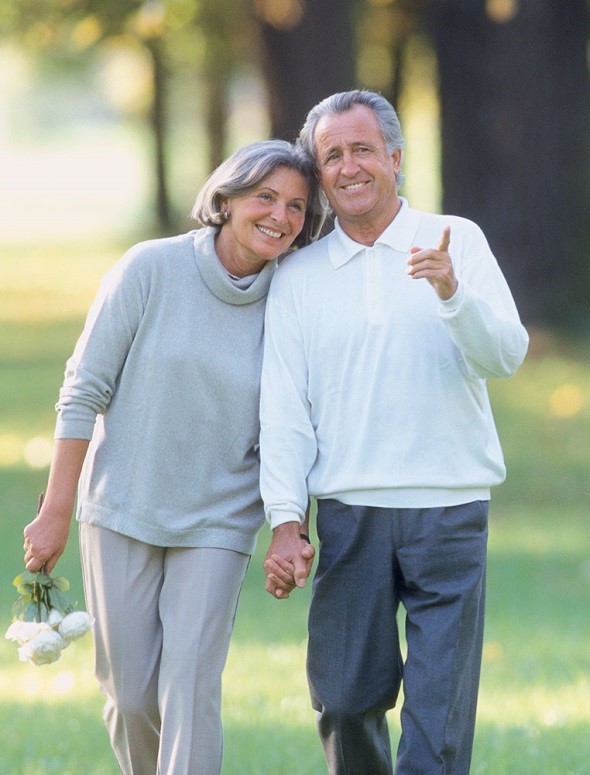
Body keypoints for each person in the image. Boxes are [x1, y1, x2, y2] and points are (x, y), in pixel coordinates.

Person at [22, 139, 326, 775]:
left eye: (296, 206)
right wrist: (54, 512)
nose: (280, 216)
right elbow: (83, 390)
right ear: (225, 198)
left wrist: (288, 523)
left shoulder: (295, 299)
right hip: (123, 507)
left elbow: (294, 423)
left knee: (189, 686)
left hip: (218, 520)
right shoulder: (149, 269)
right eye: (265, 197)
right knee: (131, 695)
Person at [260, 90, 529, 775]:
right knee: (346, 699)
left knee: (437, 716)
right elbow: (285, 407)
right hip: (352, 513)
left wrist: (451, 293)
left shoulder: (455, 239)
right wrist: (287, 519)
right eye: (332, 156)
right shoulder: (298, 275)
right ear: (319, 173)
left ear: (396, 159)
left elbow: (505, 355)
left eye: (362, 150)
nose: (349, 167)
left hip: (451, 509)